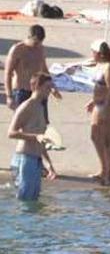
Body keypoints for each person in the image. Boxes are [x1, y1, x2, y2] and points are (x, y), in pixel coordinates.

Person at [7, 73, 57, 201]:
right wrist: (36, 137)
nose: (50, 91)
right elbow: (11, 133)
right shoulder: (26, 106)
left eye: (51, 87)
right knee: (24, 202)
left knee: (33, 201)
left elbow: (41, 140)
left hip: (36, 159)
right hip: (25, 159)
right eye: (47, 87)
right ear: (36, 86)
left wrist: (49, 165)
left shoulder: (40, 106)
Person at [86, 41, 110, 186]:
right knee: (94, 136)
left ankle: (108, 173)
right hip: (99, 103)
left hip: (109, 104)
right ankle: (103, 169)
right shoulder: (98, 65)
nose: (91, 54)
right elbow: (98, 87)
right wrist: (93, 101)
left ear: (99, 53)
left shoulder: (109, 68)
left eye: (93, 52)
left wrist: (105, 108)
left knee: (107, 139)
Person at [5, 25, 58, 117]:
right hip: (22, 91)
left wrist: (52, 86)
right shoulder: (17, 49)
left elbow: (44, 68)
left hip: (39, 91)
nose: (37, 45)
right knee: (23, 124)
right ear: (29, 37)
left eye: (40, 42)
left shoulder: (40, 48)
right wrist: (9, 96)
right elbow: (8, 73)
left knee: (40, 124)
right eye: (35, 42)